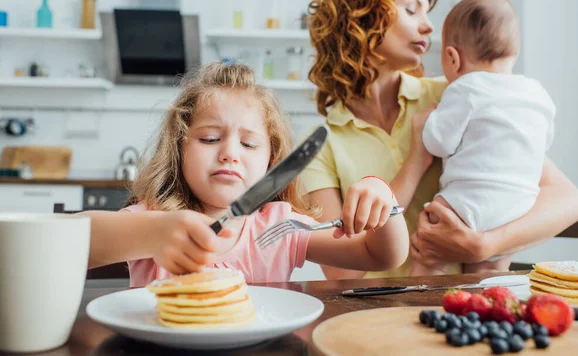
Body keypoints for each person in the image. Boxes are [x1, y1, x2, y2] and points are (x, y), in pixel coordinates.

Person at [301, 0, 578, 280]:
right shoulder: (320, 146)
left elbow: (567, 200)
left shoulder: (458, 95)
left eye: (427, 11)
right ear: (361, 18)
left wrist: (481, 245)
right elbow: (341, 273)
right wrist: (417, 160)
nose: (429, 26)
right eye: (411, 9)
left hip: (460, 311)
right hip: (373, 321)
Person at [84, 61, 409, 286]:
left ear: (271, 160)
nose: (229, 153)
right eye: (210, 139)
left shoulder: (279, 227)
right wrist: (149, 234)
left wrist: (384, 200)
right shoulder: (153, 218)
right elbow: (67, 242)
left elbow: (379, 255)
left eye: (249, 144)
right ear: (179, 149)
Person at [410, 0, 555, 276]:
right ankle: (488, 304)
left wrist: (426, 124)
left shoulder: (466, 89)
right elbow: (543, 143)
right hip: (518, 207)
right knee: (490, 271)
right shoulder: (537, 93)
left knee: (429, 250)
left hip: (467, 202)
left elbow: (439, 142)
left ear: (452, 58)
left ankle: (419, 299)